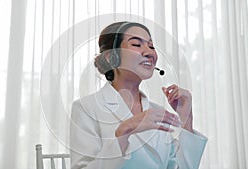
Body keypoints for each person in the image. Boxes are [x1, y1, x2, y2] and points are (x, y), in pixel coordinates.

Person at [70, 21, 207, 169]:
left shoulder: (157, 112)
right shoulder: (86, 108)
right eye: (136, 44)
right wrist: (124, 131)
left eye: (151, 46)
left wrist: (186, 118)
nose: (149, 52)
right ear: (111, 57)